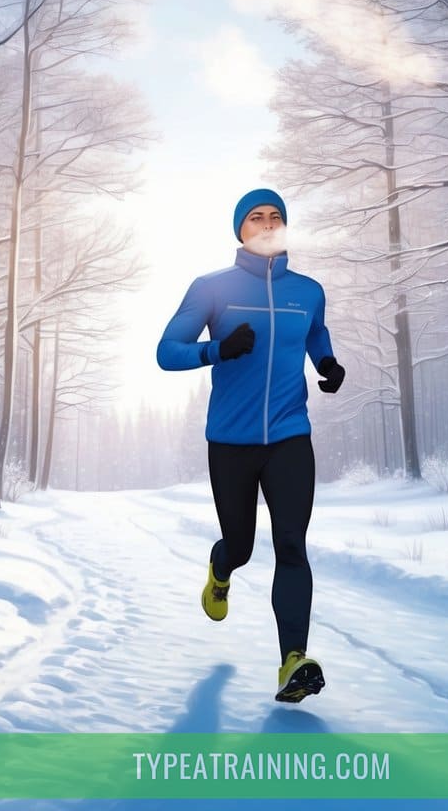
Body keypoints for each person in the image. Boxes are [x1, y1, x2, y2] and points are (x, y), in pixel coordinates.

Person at [156, 188, 345, 703]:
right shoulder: (211, 289)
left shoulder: (307, 291)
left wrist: (326, 364)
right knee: (240, 545)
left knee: (290, 544)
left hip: (289, 435)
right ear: (239, 229)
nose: (265, 224)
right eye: (255, 217)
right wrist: (217, 350)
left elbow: (315, 335)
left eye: (275, 217)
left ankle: (292, 662)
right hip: (231, 442)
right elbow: (166, 353)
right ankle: (221, 570)